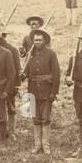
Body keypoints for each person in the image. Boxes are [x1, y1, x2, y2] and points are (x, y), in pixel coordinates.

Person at [21, 27, 60, 155]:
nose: (37, 42)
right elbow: (25, 74)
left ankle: (46, 145)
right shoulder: (29, 54)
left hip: (46, 91)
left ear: (44, 41)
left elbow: (56, 74)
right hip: (32, 91)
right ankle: (37, 145)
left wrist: (54, 92)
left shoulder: (51, 53)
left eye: (39, 40)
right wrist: (21, 74)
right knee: (35, 118)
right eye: (35, 40)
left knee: (45, 118)